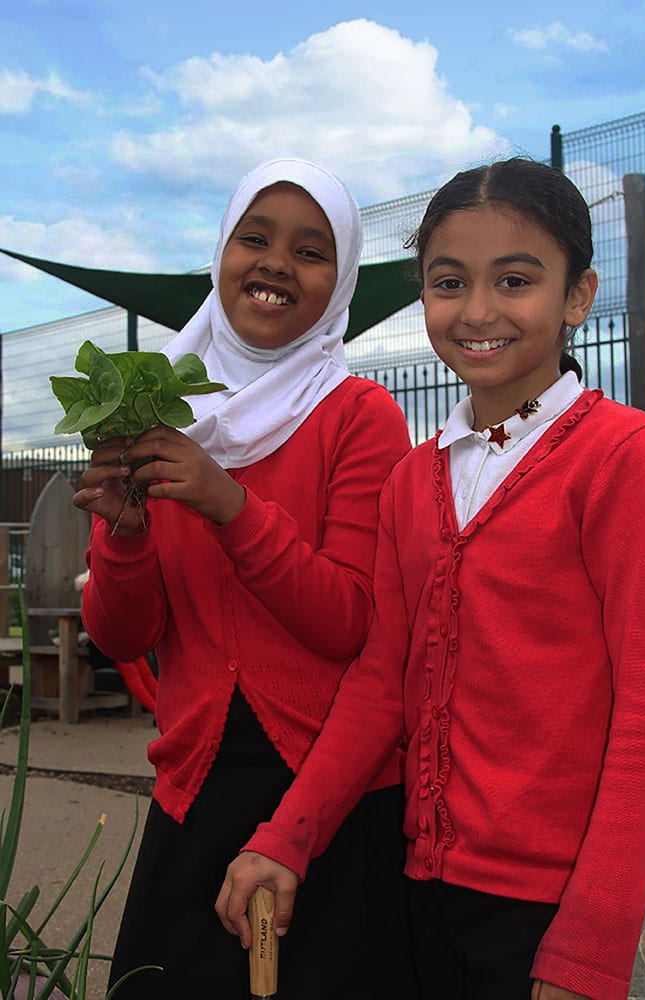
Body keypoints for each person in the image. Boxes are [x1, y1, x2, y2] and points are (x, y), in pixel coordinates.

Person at [218, 158, 645, 1000]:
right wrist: (286, 837)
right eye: (449, 282)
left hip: (550, 916)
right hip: (420, 888)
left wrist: (592, 942)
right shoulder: (410, 483)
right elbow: (380, 681)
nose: (479, 311)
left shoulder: (625, 461)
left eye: (515, 280)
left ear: (577, 297)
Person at [73, 158, 418, 999]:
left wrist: (229, 504)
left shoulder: (357, 415)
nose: (274, 263)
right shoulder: (156, 414)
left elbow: (349, 622)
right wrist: (122, 537)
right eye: (253, 239)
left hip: (330, 797)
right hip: (195, 788)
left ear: (337, 286)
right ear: (220, 253)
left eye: (310, 251)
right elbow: (121, 637)